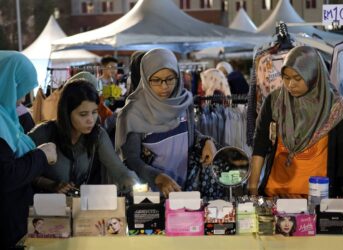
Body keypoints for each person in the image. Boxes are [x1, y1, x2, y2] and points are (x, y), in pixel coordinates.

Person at [248, 46, 343, 198]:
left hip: (318, 199)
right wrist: (253, 186)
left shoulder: (336, 108)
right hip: (275, 195)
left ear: (314, 75)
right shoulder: (275, 101)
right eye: (286, 78)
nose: (290, 85)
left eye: (297, 78)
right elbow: (260, 144)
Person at [116, 48, 217, 198]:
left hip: (185, 188)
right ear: (145, 78)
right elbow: (131, 160)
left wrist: (206, 140)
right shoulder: (133, 113)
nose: (164, 87)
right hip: (148, 196)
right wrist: (157, 177)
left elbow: (188, 132)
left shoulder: (184, 102)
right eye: (156, 80)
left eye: (170, 79)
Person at [28, 79, 139, 194]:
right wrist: (51, 184)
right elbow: (18, 171)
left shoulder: (98, 135)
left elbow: (120, 171)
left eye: (94, 112)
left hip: (80, 206)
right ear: (66, 112)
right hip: (42, 207)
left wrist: (137, 187)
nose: (91, 120)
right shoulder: (43, 133)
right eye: (83, 114)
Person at [0, 51, 57, 249]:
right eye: (20, 88)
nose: (23, 99)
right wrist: (41, 155)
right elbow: (6, 175)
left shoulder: (6, 117)